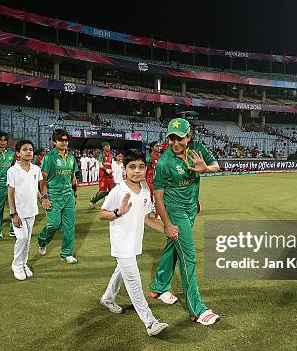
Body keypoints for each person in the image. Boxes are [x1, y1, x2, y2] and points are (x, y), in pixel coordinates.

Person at [149, 118, 222, 326]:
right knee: (188, 257)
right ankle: (197, 309)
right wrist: (167, 225)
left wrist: (205, 168)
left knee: (173, 247)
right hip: (175, 212)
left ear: (188, 137)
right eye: (171, 138)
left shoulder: (197, 149)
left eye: (179, 138)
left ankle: (159, 285)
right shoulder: (164, 163)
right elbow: (158, 197)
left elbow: (217, 166)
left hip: (191, 209)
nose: (175, 143)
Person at [98, 149, 169, 337]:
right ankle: (150, 322)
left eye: (140, 167)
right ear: (125, 170)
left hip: (134, 243)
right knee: (134, 282)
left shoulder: (145, 193)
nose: (137, 171)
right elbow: (102, 214)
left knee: (120, 272)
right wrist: (118, 213)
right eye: (132, 167)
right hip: (122, 245)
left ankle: (107, 298)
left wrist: (165, 230)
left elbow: (145, 219)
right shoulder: (118, 191)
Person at [7, 140, 49, 280]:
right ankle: (16, 265)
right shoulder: (13, 170)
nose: (29, 152)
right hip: (18, 212)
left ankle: (24, 264)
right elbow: (10, 193)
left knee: (28, 239)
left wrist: (42, 198)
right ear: (18, 153)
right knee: (22, 238)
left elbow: (36, 189)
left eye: (30, 149)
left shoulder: (36, 169)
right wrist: (13, 213)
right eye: (25, 149)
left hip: (32, 211)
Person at [37, 129, 79, 263]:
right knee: (54, 224)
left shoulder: (71, 158)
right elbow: (43, 179)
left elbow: (73, 177)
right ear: (54, 141)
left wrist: (75, 192)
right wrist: (44, 197)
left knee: (69, 226)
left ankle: (66, 254)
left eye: (66, 140)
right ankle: (42, 241)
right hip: (53, 195)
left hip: (68, 196)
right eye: (61, 140)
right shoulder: (49, 157)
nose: (64, 143)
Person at [89, 142, 115, 208]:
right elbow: (100, 165)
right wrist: (106, 170)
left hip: (110, 175)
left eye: (109, 145)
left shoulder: (110, 155)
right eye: (106, 146)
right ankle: (93, 200)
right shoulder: (101, 155)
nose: (108, 147)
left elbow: (110, 164)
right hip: (103, 175)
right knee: (102, 191)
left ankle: (110, 203)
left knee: (113, 189)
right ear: (103, 147)